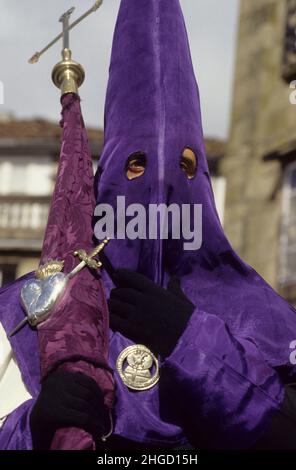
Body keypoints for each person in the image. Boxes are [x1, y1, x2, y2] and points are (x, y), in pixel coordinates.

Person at [1, 0, 296, 450]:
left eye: (185, 167)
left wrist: (194, 340)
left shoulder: (264, 316)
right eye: (136, 167)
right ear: (108, 179)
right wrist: (33, 428)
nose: (161, 186)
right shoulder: (31, 311)